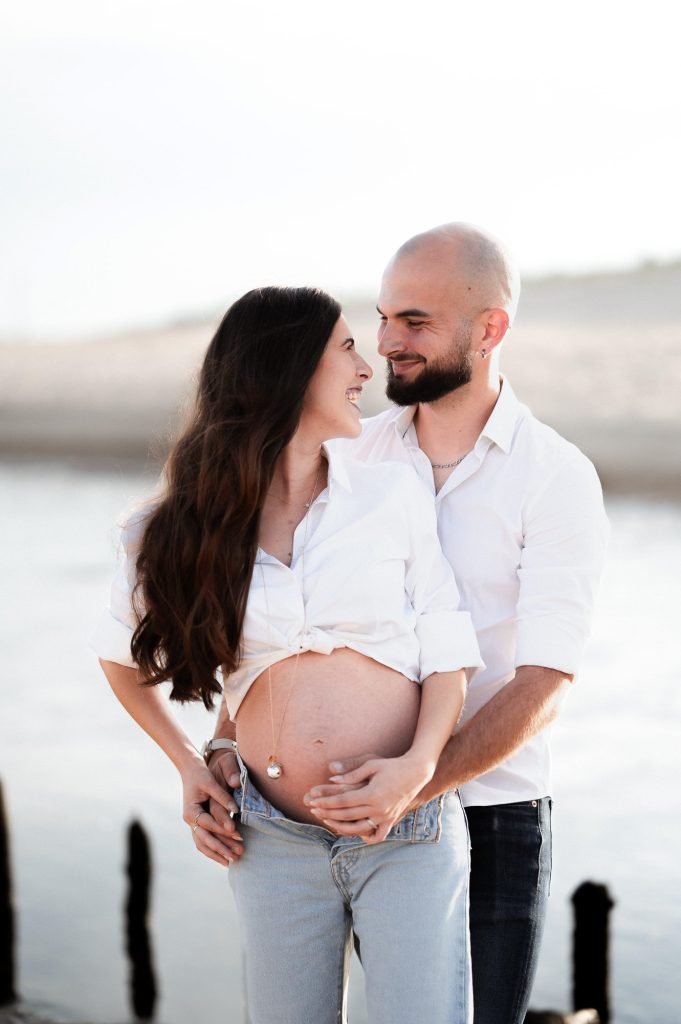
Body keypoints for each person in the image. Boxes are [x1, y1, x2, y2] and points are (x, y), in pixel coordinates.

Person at [204, 226, 609, 1024]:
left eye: (414, 322)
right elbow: (279, 620)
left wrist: (417, 780)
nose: (387, 342)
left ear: (489, 329)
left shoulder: (555, 477)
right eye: (383, 318)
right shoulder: (349, 451)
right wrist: (224, 741)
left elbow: (546, 679)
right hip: (324, 820)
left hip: (491, 818)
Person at [90, 285, 484, 1024]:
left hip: (405, 830)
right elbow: (117, 656)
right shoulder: (173, 525)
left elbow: (445, 650)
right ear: (290, 366)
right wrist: (187, 763)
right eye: (344, 347)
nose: (365, 366)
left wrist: (416, 767)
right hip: (268, 838)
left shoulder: (389, 492)